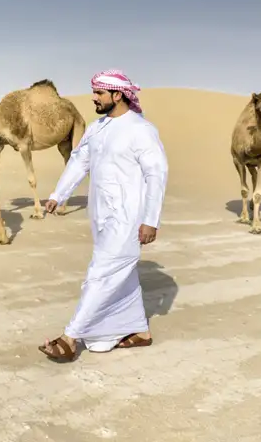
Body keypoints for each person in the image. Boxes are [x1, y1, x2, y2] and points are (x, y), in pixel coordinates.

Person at [38, 69, 169, 363]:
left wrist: (151, 219)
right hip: (100, 215)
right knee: (120, 274)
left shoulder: (141, 129)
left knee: (101, 274)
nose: (94, 97)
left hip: (130, 218)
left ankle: (71, 338)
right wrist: (59, 194)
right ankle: (139, 331)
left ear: (117, 95)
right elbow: (79, 161)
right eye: (94, 91)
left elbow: (156, 174)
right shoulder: (97, 129)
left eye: (99, 93)